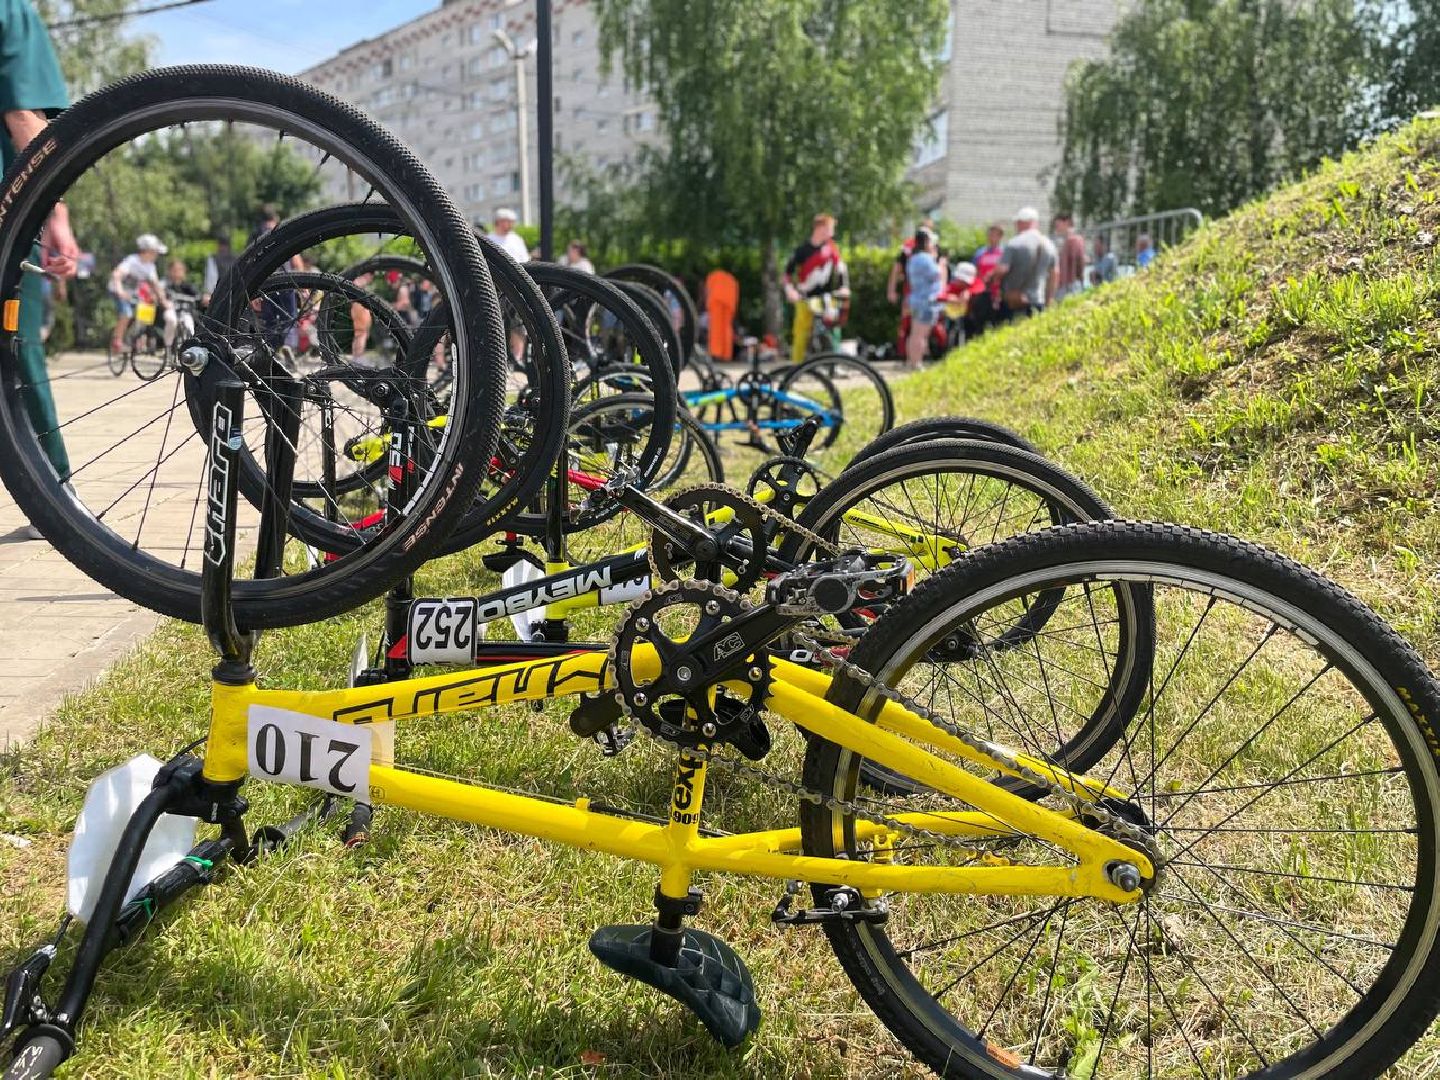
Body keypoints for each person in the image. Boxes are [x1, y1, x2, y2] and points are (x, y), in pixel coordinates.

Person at [782, 212, 849, 364]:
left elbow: (841, 269)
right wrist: (790, 291)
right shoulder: (802, 251)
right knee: (801, 332)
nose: (832, 233)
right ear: (820, 228)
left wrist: (844, 287)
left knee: (833, 330)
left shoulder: (832, 249)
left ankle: (833, 365)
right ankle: (796, 365)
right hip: (804, 296)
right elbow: (787, 274)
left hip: (826, 297)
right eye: (830, 228)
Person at [991, 206, 1057, 321]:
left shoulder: (1014, 243)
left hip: (1014, 302)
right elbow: (1054, 274)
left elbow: (1002, 269)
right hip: (1038, 301)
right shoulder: (1050, 245)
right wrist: (1049, 300)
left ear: (1021, 223)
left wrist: (991, 277)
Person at [109, 234, 167, 354]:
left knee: (145, 311)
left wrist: (162, 299)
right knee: (127, 313)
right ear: (148, 251)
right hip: (117, 290)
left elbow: (155, 285)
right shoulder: (132, 261)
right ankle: (117, 341)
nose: (156, 255)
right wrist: (120, 291)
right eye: (155, 252)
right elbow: (116, 275)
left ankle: (136, 339)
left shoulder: (150, 267)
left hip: (132, 294)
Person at [904, 227, 943, 371]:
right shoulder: (926, 259)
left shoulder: (913, 258)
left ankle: (911, 361)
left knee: (914, 333)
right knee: (921, 335)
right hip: (927, 301)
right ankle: (917, 363)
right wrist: (939, 262)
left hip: (915, 299)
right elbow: (937, 274)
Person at [966, 224, 1005, 339]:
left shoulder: (1004, 253)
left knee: (998, 324)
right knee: (980, 323)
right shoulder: (980, 253)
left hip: (999, 293)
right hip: (982, 292)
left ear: (1000, 237)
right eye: (990, 234)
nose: (992, 237)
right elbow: (974, 271)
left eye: (995, 235)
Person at [162, 258, 198, 349]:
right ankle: (168, 346)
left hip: (184, 311)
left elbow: (196, 295)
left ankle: (187, 348)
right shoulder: (165, 284)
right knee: (171, 320)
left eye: (180, 270)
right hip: (171, 310)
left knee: (189, 325)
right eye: (174, 270)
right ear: (170, 271)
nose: (177, 273)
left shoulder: (187, 286)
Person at [704, 267, 739, 361]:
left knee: (716, 329)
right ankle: (726, 354)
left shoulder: (712, 276)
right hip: (729, 303)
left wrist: (706, 303)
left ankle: (716, 353)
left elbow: (708, 291)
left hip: (716, 301)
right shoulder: (732, 279)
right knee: (727, 329)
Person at [1053, 212, 1087, 300]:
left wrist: (1077, 280)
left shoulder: (1074, 240)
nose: (1056, 229)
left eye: (1058, 225)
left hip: (1070, 286)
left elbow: (1079, 261)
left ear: (1066, 223)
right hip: (1065, 285)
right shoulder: (1066, 241)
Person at [202, 232, 236, 306]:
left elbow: (211, 278)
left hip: (218, 294)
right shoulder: (237, 258)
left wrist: (209, 293)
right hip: (235, 294)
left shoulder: (213, 258)